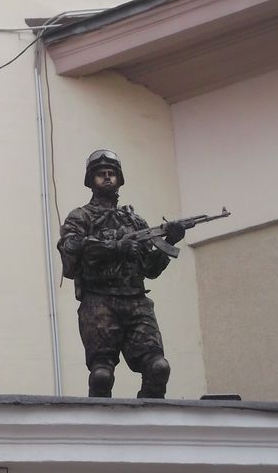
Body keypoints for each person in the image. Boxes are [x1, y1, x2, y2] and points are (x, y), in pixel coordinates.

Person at [57, 150, 185, 399]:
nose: (107, 178)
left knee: (159, 368)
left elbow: (151, 269)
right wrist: (114, 246)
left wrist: (170, 239)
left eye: (111, 174)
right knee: (101, 375)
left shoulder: (136, 221)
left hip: (136, 301)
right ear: (91, 180)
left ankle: (150, 423)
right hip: (99, 302)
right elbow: (70, 250)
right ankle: (99, 427)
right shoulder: (80, 217)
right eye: (101, 174)